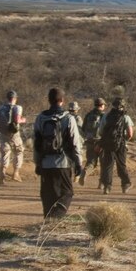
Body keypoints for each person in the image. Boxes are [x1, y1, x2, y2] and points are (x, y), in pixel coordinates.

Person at [33, 87, 83, 218]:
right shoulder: (68, 118)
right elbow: (75, 143)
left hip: (45, 162)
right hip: (63, 162)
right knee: (66, 193)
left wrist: (38, 163)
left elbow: (36, 143)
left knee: (47, 195)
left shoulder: (40, 118)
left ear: (49, 100)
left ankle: (48, 221)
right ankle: (56, 219)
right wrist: (78, 163)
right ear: (62, 100)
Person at [98, 97, 134, 194]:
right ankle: (125, 184)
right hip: (121, 144)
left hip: (108, 144)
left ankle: (107, 187)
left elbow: (100, 131)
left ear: (113, 105)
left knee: (108, 165)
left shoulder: (106, 116)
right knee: (121, 165)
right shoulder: (126, 117)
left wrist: (108, 138)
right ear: (123, 106)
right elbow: (130, 134)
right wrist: (123, 139)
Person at [0, 90, 26, 184]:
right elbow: (17, 119)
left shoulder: (0, 107)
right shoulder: (17, 107)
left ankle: (2, 177)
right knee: (19, 151)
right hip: (14, 134)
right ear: (15, 98)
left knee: (5, 154)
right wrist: (23, 120)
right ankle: (15, 173)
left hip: (3, 133)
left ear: (7, 98)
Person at [78, 97, 106, 186]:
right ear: (102, 105)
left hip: (90, 141)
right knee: (104, 164)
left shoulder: (88, 115)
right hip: (101, 142)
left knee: (91, 162)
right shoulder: (104, 116)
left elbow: (83, 128)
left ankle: (85, 172)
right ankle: (101, 183)